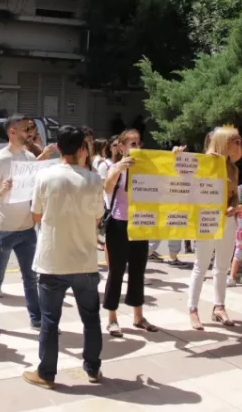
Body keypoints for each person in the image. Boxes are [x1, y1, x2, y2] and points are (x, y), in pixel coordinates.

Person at [23, 125, 104, 389]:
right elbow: (97, 218)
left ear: (58, 148)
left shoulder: (45, 177)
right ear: (83, 149)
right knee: (91, 318)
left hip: (52, 260)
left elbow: (35, 215)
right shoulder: (94, 180)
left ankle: (46, 373)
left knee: (49, 320)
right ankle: (92, 368)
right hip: (85, 260)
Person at [0, 115, 42, 339]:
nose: (28, 132)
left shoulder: (29, 158)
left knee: (30, 278)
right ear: (12, 132)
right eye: (24, 129)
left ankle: (36, 319)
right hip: (3, 229)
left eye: (29, 128)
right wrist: (0, 192)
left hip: (27, 229)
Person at [182, 126, 242, 331]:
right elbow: (186, 182)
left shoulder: (233, 168)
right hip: (207, 219)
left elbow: (234, 193)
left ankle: (219, 306)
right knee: (201, 266)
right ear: (224, 141)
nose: (239, 144)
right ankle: (193, 309)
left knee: (222, 267)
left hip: (227, 220)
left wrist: (234, 205)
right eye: (236, 140)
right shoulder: (205, 163)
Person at [102, 129, 160, 337]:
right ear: (122, 146)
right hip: (118, 223)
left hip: (140, 222)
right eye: (132, 143)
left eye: (138, 143)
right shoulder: (110, 165)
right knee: (116, 271)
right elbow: (107, 188)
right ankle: (112, 318)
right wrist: (119, 168)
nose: (136, 147)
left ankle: (138, 316)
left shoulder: (145, 165)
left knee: (138, 270)